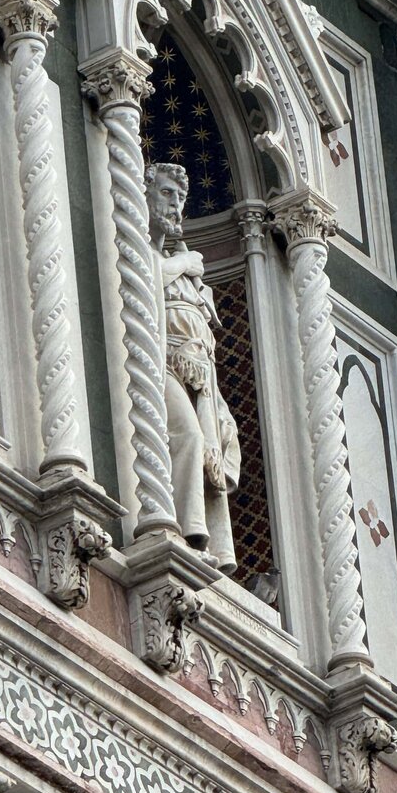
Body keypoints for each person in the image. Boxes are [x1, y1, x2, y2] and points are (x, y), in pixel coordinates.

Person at [145, 161, 241, 572]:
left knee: (209, 447)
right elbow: (143, 278)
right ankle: (186, 532)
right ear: (144, 193)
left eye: (181, 197)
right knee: (187, 434)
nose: (175, 204)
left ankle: (208, 540)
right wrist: (185, 263)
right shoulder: (141, 246)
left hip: (199, 373)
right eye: (167, 193)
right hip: (157, 361)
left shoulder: (179, 260)